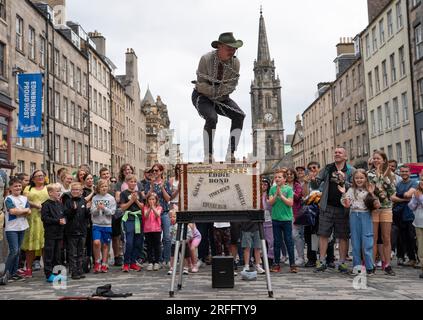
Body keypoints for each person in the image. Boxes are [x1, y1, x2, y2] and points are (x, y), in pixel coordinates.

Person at [192, 32, 245, 163]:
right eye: (229, 48)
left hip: (222, 98)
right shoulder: (206, 59)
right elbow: (201, 85)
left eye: (234, 49)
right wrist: (217, 90)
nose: (232, 52)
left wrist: (219, 91)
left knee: (239, 115)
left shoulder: (235, 63)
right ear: (219, 47)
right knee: (211, 118)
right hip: (202, 97)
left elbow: (231, 86)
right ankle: (208, 154)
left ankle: (231, 152)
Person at [313, 147, 355, 273]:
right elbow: (316, 184)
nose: (337, 154)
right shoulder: (327, 168)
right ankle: (322, 261)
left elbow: (355, 186)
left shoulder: (351, 170)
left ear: (345, 156)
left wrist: (344, 181)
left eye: (340, 152)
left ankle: (342, 262)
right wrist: (313, 179)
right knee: (323, 234)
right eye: (335, 152)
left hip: (343, 208)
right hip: (327, 206)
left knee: (343, 236)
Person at [340, 169, 375, 275]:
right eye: (357, 178)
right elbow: (346, 204)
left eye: (361, 178)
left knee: (367, 241)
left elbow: (375, 203)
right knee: (355, 242)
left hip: (366, 215)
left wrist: (372, 193)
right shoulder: (351, 190)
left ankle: (369, 266)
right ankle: (357, 267)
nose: (359, 180)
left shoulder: (369, 189)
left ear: (365, 178)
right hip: (354, 215)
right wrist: (344, 193)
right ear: (354, 179)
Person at [368, 150, 397, 275]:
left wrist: (384, 177)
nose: (376, 161)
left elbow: (392, 193)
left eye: (378, 158)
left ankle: (387, 264)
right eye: (374, 159)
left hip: (386, 208)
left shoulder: (390, 174)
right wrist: (377, 177)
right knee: (373, 238)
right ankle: (371, 264)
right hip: (373, 209)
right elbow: (369, 190)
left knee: (386, 238)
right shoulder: (369, 174)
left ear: (384, 160)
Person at [21, 170, 49, 278]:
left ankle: (47, 268)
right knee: (30, 246)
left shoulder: (48, 188)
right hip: (32, 219)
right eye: (37, 176)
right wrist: (36, 205)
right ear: (33, 179)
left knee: (45, 245)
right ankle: (28, 268)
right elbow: (24, 201)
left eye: (42, 175)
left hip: (45, 219)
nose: (40, 177)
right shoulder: (28, 188)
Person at [269, 169, 298, 273]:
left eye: (279, 177)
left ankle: (292, 264)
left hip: (286, 219)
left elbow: (290, 203)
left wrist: (281, 195)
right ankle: (276, 264)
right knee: (277, 242)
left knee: (288, 241)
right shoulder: (272, 189)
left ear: (285, 179)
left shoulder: (289, 189)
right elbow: (271, 203)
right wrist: (276, 195)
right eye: (276, 177)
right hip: (276, 219)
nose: (277, 179)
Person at [144, 164, 172, 267]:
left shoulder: (166, 183)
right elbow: (146, 197)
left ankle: (167, 259)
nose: (154, 173)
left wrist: (162, 188)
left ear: (161, 171)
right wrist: (151, 186)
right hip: (152, 213)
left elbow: (168, 198)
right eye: (153, 171)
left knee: (167, 237)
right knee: (155, 238)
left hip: (163, 212)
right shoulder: (148, 184)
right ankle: (157, 260)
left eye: (156, 170)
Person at [3, 177, 30, 282]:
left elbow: (29, 211)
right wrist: (23, 210)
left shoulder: (24, 198)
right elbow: (12, 212)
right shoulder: (8, 199)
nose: (18, 187)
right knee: (14, 251)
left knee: (18, 251)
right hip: (12, 228)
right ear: (10, 188)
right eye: (15, 186)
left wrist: (20, 211)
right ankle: (6, 273)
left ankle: (14, 273)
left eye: (19, 186)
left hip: (22, 226)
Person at [62, 182, 91, 280]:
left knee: (80, 252)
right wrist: (73, 210)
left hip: (82, 230)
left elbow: (86, 216)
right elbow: (67, 214)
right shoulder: (68, 202)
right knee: (72, 252)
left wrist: (88, 210)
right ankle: (74, 271)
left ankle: (80, 269)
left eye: (77, 190)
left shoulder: (83, 201)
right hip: (71, 231)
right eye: (73, 189)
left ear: (81, 191)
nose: (75, 191)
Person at [391, 165, 418, 267]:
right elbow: (393, 197)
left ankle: (416, 258)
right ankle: (410, 258)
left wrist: (399, 196)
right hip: (400, 214)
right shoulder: (398, 184)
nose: (404, 173)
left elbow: (409, 194)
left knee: (412, 237)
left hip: (411, 214)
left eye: (406, 171)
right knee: (403, 237)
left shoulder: (414, 183)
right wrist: (404, 199)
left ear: (409, 172)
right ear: (399, 172)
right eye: (402, 172)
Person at [41, 183, 66, 283]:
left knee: (57, 254)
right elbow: (45, 218)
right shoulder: (46, 204)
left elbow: (63, 215)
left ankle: (57, 273)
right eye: (57, 191)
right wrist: (57, 221)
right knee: (49, 254)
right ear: (50, 193)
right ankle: (48, 274)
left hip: (59, 233)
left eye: (59, 191)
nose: (59, 193)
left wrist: (64, 220)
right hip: (50, 234)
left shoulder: (59, 204)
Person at [120, 174, 144, 272]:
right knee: (129, 242)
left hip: (138, 218)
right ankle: (126, 263)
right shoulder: (124, 193)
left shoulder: (139, 193)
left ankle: (133, 262)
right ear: (127, 183)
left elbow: (142, 207)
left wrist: (136, 200)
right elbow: (123, 207)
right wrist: (131, 201)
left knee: (138, 242)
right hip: (129, 219)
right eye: (131, 181)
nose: (133, 183)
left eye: (134, 182)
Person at [91, 179, 116, 273]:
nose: (104, 188)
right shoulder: (95, 198)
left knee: (105, 245)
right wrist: (97, 209)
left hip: (107, 224)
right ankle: (97, 262)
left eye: (105, 186)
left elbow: (112, 212)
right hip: (96, 224)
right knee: (96, 242)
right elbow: (92, 212)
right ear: (98, 188)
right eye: (102, 186)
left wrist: (104, 208)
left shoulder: (111, 198)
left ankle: (104, 263)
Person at [287, 168, 305, 266]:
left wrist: (289, 191)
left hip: (295, 213)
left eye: (291, 174)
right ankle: (292, 256)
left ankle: (301, 257)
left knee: (296, 235)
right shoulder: (283, 185)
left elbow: (298, 197)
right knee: (289, 236)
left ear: (294, 175)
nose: (289, 176)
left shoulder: (297, 185)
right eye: (288, 174)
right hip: (285, 213)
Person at [408, 174, 423, 278]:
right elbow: (411, 206)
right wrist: (416, 199)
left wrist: (420, 198)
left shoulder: (419, 194)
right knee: (420, 247)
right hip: (419, 222)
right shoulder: (417, 192)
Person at [142, 193, 163, 271]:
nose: (151, 201)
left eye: (153, 199)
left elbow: (158, 215)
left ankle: (157, 262)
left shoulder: (159, 207)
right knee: (149, 246)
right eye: (150, 199)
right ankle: (150, 262)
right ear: (147, 200)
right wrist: (150, 208)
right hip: (148, 230)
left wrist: (153, 208)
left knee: (157, 246)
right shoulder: (145, 208)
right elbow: (146, 216)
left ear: (156, 200)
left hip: (156, 229)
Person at [168, 210, 191, 275]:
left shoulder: (184, 225)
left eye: (174, 217)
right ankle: (172, 267)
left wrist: (187, 239)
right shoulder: (171, 226)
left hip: (183, 243)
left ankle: (186, 268)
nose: (172, 218)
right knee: (172, 255)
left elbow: (190, 233)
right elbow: (170, 235)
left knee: (185, 255)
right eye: (170, 217)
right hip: (174, 243)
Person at [262, 179, 274, 266]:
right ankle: (262, 258)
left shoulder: (269, 195)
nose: (263, 186)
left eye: (265, 184)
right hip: (260, 221)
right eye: (261, 184)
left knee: (271, 241)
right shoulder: (256, 195)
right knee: (261, 241)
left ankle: (270, 258)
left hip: (269, 221)